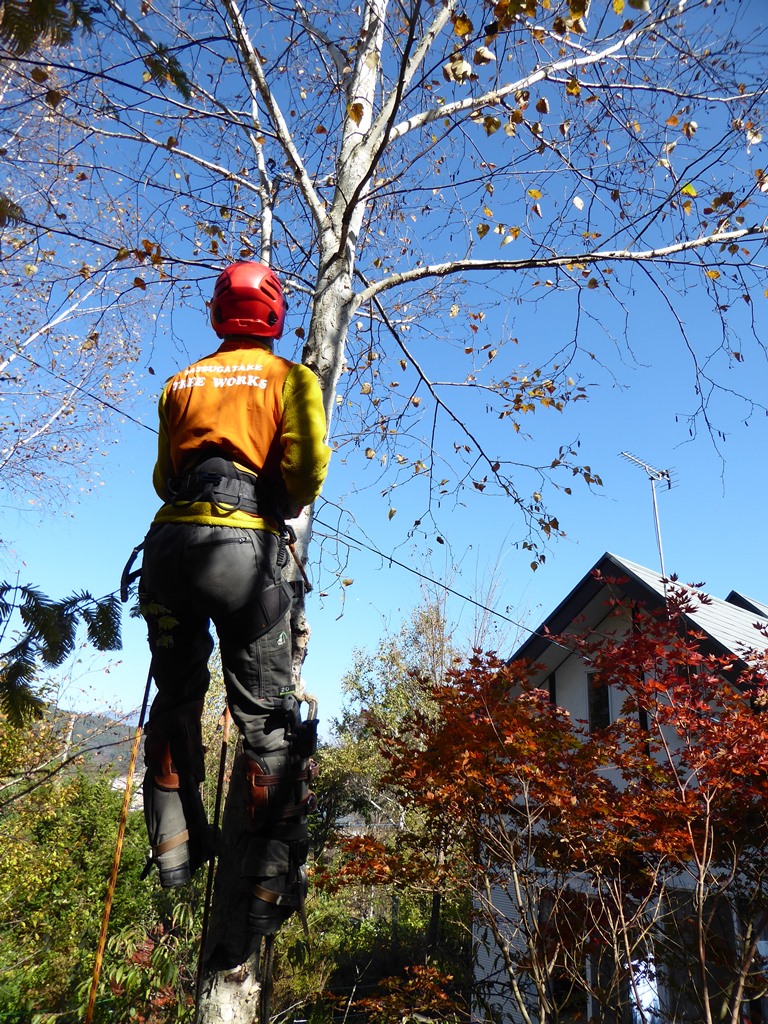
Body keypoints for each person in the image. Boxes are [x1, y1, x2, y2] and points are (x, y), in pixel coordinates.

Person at [138, 261, 331, 937]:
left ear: (220, 315)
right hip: (243, 552)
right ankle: (263, 893)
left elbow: (166, 478)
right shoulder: (290, 379)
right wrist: (274, 500)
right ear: (273, 318)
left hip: (168, 550)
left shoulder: (181, 382)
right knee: (265, 722)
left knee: (177, 699)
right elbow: (304, 471)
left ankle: (173, 850)